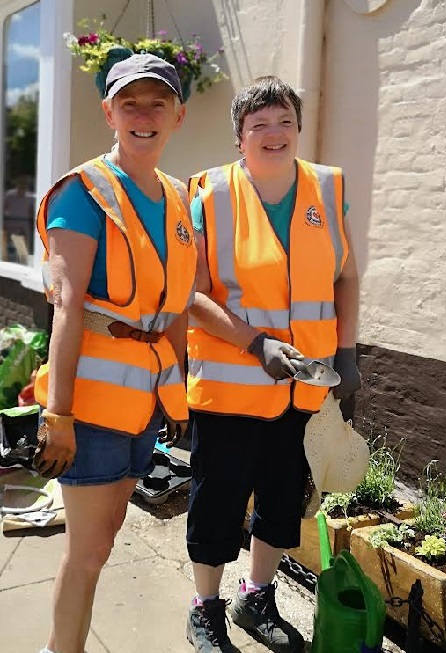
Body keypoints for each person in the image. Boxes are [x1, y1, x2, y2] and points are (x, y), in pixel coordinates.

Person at [185, 76, 361, 653]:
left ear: (298, 128)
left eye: (284, 119)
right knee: (218, 501)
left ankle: (255, 596)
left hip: (305, 389)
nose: (273, 132)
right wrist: (256, 344)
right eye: (258, 123)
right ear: (240, 137)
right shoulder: (210, 193)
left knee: (285, 501)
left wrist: (349, 354)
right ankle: (205, 606)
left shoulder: (328, 189)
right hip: (231, 390)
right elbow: (193, 294)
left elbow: (344, 277)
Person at [33, 54, 196, 653]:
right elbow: (68, 308)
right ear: (110, 112)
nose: (144, 115)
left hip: (144, 404)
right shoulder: (85, 192)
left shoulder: (179, 200)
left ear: (178, 116)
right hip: (91, 406)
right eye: (131, 103)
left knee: (104, 540)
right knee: (87, 551)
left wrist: (175, 399)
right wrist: (59, 415)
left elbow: (175, 308)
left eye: (158, 103)